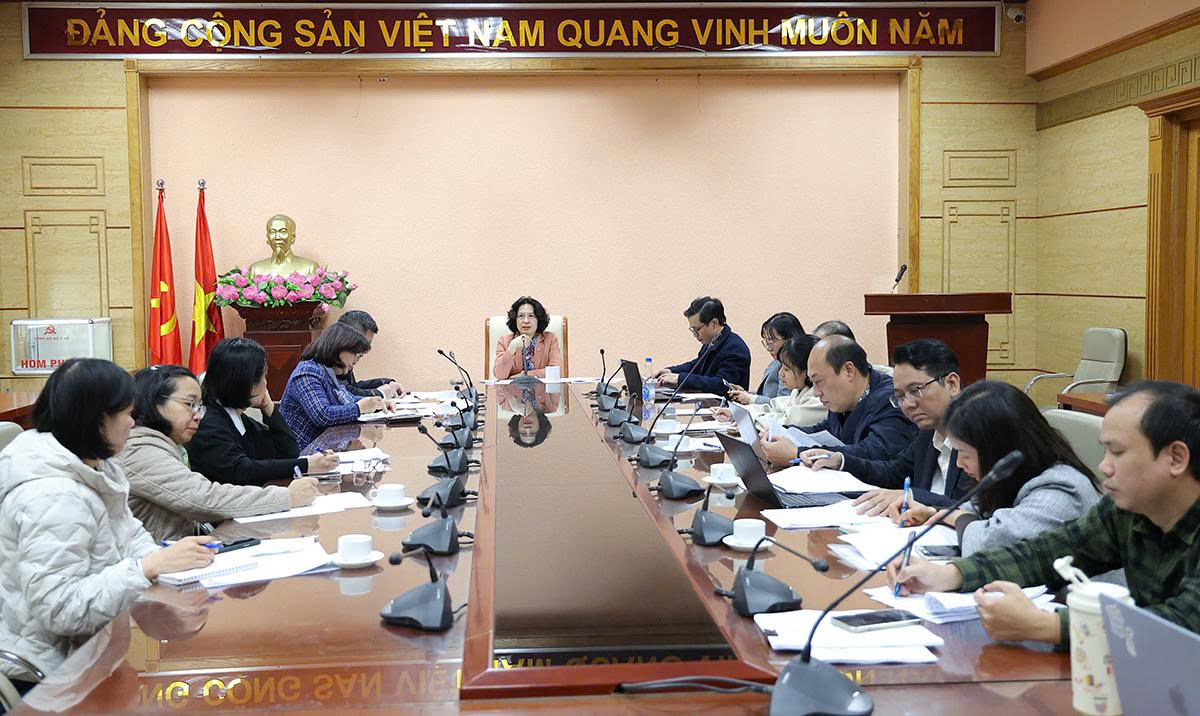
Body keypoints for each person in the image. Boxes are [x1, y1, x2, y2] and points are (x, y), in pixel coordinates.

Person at [890, 380, 1200, 647]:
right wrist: (951, 574)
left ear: (1176, 458)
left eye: (1117, 452)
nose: (1104, 466)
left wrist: (1045, 626)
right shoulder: (1127, 511)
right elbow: (1045, 553)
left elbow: (1178, 628)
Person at [0, 359, 218, 686]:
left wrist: (162, 562)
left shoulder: (97, 465)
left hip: (97, 647)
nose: (133, 422)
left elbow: (131, 535)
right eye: (127, 413)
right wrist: (147, 567)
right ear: (99, 419)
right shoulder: (52, 496)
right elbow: (60, 610)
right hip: (50, 672)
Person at [884, 380, 1102, 557]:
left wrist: (956, 518)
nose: (959, 463)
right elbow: (974, 509)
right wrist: (935, 513)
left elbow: (989, 544)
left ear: (998, 449)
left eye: (964, 453)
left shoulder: (1062, 489)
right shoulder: (1011, 478)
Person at [120, 364, 320, 543]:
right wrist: (287, 496)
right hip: (164, 562)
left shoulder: (166, 445)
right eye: (189, 404)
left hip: (188, 550)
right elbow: (205, 499)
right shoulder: (140, 451)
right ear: (155, 403)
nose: (198, 416)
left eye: (199, 406)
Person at [799, 339, 971, 515]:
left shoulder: (979, 435)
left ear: (951, 384)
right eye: (900, 396)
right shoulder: (928, 434)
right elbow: (893, 472)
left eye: (916, 390)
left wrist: (912, 495)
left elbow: (974, 510)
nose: (908, 404)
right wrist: (840, 461)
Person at [188, 337, 340, 486]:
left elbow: (288, 452)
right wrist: (306, 465)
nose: (266, 383)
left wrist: (268, 407)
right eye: (263, 376)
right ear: (245, 382)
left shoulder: (237, 416)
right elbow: (242, 470)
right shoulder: (209, 423)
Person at [760, 336, 916, 465]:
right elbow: (825, 430)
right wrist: (781, 432)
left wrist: (799, 454)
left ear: (848, 371)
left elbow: (873, 452)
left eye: (819, 381)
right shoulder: (844, 400)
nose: (816, 393)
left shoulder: (891, 400)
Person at [281, 323, 393, 447]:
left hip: (323, 449)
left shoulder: (326, 372)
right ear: (340, 347)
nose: (355, 361)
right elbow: (323, 415)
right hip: (302, 453)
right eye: (355, 354)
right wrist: (360, 408)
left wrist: (375, 403)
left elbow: (346, 398)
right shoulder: (307, 373)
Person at [717, 334, 824, 429]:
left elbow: (785, 421)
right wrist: (737, 413)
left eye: (787, 369)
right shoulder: (798, 390)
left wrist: (749, 419)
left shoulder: (817, 398)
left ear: (806, 371)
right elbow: (773, 407)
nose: (780, 373)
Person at [654, 296, 751, 394]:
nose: (694, 335)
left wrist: (680, 379)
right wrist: (671, 371)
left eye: (696, 329)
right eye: (692, 330)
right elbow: (696, 365)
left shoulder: (736, 349)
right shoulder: (713, 342)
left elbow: (721, 385)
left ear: (714, 323)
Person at [726, 312, 806, 405]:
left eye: (771, 341)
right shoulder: (775, 362)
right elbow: (765, 395)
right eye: (766, 342)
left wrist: (751, 398)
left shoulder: (793, 366)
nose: (769, 348)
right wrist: (746, 394)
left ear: (789, 339)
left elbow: (783, 404)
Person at [336, 310, 403, 398]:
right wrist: (380, 393)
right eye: (364, 344)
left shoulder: (347, 356)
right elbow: (346, 393)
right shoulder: (329, 360)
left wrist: (387, 383)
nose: (365, 351)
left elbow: (352, 386)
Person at [492, 296, 563, 380]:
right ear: (515, 319)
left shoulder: (550, 338)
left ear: (538, 319)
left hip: (543, 388)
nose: (526, 321)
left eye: (531, 316)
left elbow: (556, 372)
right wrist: (511, 348)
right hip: (513, 388)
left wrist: (525, 375)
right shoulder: (504, 341)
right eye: (521, 316)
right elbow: (499, 375)